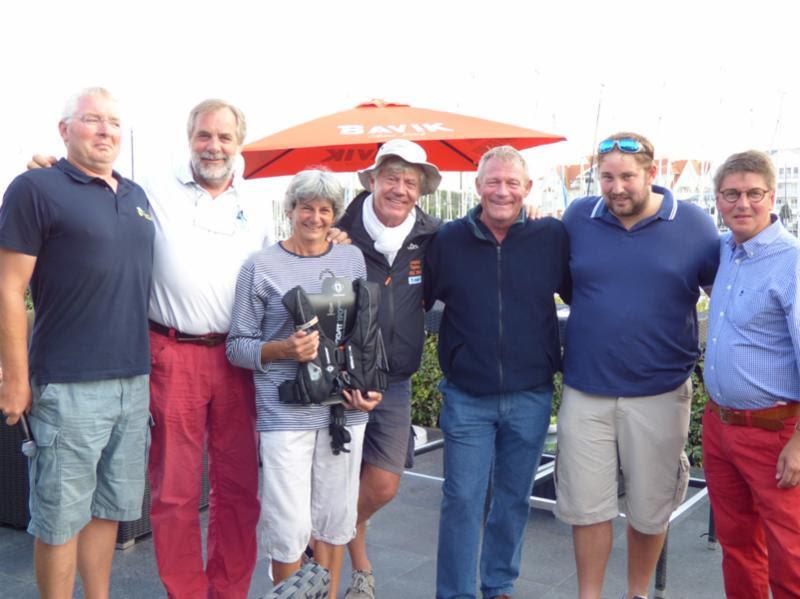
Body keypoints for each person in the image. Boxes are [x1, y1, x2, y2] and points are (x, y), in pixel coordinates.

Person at [0, 87, 154, 598]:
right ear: (65, 130)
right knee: (60, 518)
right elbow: (8, 287)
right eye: (92, 120)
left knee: (109, 508)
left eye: (113, 121)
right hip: (67, 385)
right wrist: (16, 379)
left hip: (133, 382)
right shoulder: (35, 188)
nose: (105, 130)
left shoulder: (136, 196)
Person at [554, 132, 719, 599]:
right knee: (587, 509)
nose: (617, 187)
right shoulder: (577, 217)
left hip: (661, 394)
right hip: (586, 390)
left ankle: (637, 594)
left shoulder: (694, 225)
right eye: (607, 177)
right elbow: (571, 287)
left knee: (650, 510)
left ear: (651, 173)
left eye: (628, 176)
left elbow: (724, 297)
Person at [226, 169, 384, 598]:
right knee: (289, 526)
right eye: (306, 208)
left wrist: (368, 387)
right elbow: (237, 346)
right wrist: (282, 350)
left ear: (333, 215)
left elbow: (363, 335)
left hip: (343, 412)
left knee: (335, 519)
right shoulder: (259, 267)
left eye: (325, 209)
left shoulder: (350, 259)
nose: (315, 217)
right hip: (285, 415)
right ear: (290, 210)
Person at [424, 145, 571, 599]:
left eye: (512, 183)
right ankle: (455, 593)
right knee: (463, 499)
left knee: (513, 500)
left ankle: (499, 585)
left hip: (530, 395)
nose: (502, 191)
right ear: (478, 187)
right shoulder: (448, 240)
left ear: (527, 189)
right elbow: (414, 301)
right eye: (494, 182)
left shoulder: (552, 237)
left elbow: (586, 292)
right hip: (468, 395)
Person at [336, 138, 442, 598]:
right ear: (372, 180)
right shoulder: (339, 233)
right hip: (342, 379)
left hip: (395, 378)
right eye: (392, 178)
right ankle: (358, 567)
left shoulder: (432, 236)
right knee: (340, 476)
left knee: (381, 484)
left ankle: (327, 537)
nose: (400, 189)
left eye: (410, 182)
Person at [702, 150, 800, 599]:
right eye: (731, 194)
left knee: (790, 553)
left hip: (775, 432)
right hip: (719, 426)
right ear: (719, 200)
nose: (743, 203)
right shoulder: (725, 250)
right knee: (737, 546)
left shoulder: (792, 263)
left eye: (753, 193)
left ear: (771, 195)